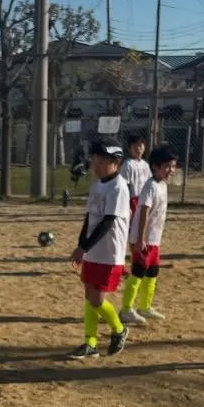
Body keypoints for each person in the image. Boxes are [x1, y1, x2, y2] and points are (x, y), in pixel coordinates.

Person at [69, 140, 131, 359]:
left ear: (116, 162)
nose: (96, 165)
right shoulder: (97, 185)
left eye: (102, 161)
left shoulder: (119, 187)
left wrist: (84, 247)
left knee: (97, 300)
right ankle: (90, 343)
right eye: (95, 160)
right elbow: (89, 218)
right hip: (93, 251)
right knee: (89, 295)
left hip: (109, 253)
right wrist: (81, 246)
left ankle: (119, 329)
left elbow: (107, 222)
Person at [120, 146, 177, 326]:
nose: (171, 170)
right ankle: (126, 309)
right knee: (138, 273)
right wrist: (140, 239)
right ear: (155, 166)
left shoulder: (162, 185)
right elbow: (144, 212)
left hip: (154, 240)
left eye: (173, 166)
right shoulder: (150, 185)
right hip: (144, 240)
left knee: (152, 273)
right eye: (167, 166)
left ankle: (145, 307)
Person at [119, 132, 151, 218]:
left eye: (140, 145)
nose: (138, 148)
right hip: (132, 200)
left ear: (144, 147)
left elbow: (149, 183)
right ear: (130, 148)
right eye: (135, 146)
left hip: (144, 199)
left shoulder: (146, 165)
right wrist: (126, 204)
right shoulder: (127, 165)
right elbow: (124, 186)